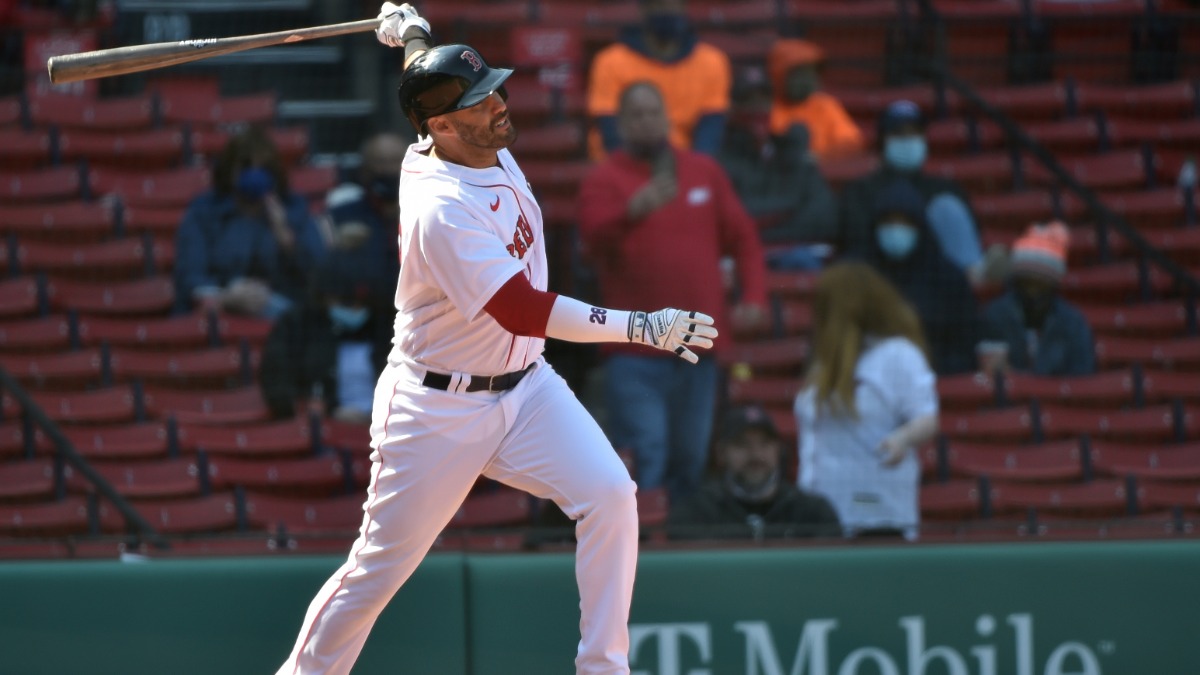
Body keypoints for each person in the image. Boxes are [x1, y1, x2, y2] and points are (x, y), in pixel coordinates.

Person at [275, 5, 719, 675]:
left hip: (526, 389)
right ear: (443, 126)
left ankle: (604, 667)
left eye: (495, 90)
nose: (499, 106)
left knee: (609, 494)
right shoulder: (440, 209)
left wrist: (410, 31)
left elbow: (428, 79)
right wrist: (641, 327)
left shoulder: (462, 135)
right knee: (377, 571)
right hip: (435, 407)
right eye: (481, 102)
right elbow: (521, 309)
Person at [578, 81, 767, 502]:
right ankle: (641, 548)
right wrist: (630, 212)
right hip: (634, 351)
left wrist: (753, 296)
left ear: (668, 118)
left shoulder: (704, 171)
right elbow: (589, 239)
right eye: (636, 115)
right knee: (649, 451)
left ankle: (679, 546)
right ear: (622, 124)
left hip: (697, 347)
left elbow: (744, 239)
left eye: (653, 112)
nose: (646, 122)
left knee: (691, 456)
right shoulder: (604, 179)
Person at [795, 262, 939, 540]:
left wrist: (902, 439)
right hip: (820, 514)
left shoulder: (898, 354)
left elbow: (927, 417)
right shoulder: (824, 364)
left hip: (874, 515)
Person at [837, 100, 1002, 285]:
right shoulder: (860, 192)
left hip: (940, 280)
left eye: (915, 133)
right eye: (900, 134)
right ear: (883, 141)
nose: (908, 140)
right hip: (879, 276)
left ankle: (974, 278)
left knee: (947, 207)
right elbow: (855, 243)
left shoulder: (946, 189)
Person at [173, 127, 327, 318]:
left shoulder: (294, 209)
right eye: (246, 166)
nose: (255, 173)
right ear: (230, 170)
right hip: (220, 312)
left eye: (264, 169)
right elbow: (190, 277)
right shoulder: (203, 212)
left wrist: (286, 238)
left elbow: (319, 276)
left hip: (283, 316)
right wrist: (226, 297)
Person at [717, 66, 838, 263]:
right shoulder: (718, 162)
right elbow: (727, 223)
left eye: (764, 100)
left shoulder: (791, 153)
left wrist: (764, 229)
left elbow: (823, 217)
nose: (758, 108)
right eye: (748, 101)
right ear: (732, 109)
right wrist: (790, 209)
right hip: (739, 259)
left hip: (793, 254)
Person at [860, 179, 981, 375]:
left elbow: (965, 347)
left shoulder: (948, 278)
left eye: (905, 222)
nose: (896, 229)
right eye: (888, 221)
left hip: (936, 379)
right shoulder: (858, 276)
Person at [668, 404, 841, 540]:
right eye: (742, 444)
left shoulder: (813, 512)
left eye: (765, 444)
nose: (756, 454)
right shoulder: (695, 512)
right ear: (721, 452)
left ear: (779, 450)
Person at [259, 251, 395, 423]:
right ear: (325, 298)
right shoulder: (297, 326)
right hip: (320, 432)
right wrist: (329, 413)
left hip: (386, 429)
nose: (353, 310)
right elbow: (277, 385)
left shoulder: (387, 327)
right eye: (346, 302)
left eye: (360, 304)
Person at [586, 0, 731, 158]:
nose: (669, 11)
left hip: (686, 161)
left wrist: (693, 171)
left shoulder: (712, 62)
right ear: (643, 10)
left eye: (676, 5)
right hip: (625, 162)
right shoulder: (610, 62)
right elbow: (611, 130)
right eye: (660, 5)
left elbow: (710, 130)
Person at [980, 221, 1096, 376]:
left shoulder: (1072, 323)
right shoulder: (996, 317)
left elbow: (1082, 379)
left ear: (1053, 286)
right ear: (1016, 283)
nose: (1032, 292)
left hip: (1057, 400)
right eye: (1027, 283)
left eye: (1040, 285)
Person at [326, 132, 408, 282]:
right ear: (365, 169)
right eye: (380, 162)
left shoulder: (432, 215)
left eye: (396, 161)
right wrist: (339, 248)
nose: (389, 169)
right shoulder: (342, 216)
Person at [766, 38, 863, 161]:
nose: (806, 80)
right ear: (779, 75)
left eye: (810, 73)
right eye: (799, 74)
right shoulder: (767, 107)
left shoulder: (825, 105)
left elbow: (850, 142)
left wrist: (817, 157)